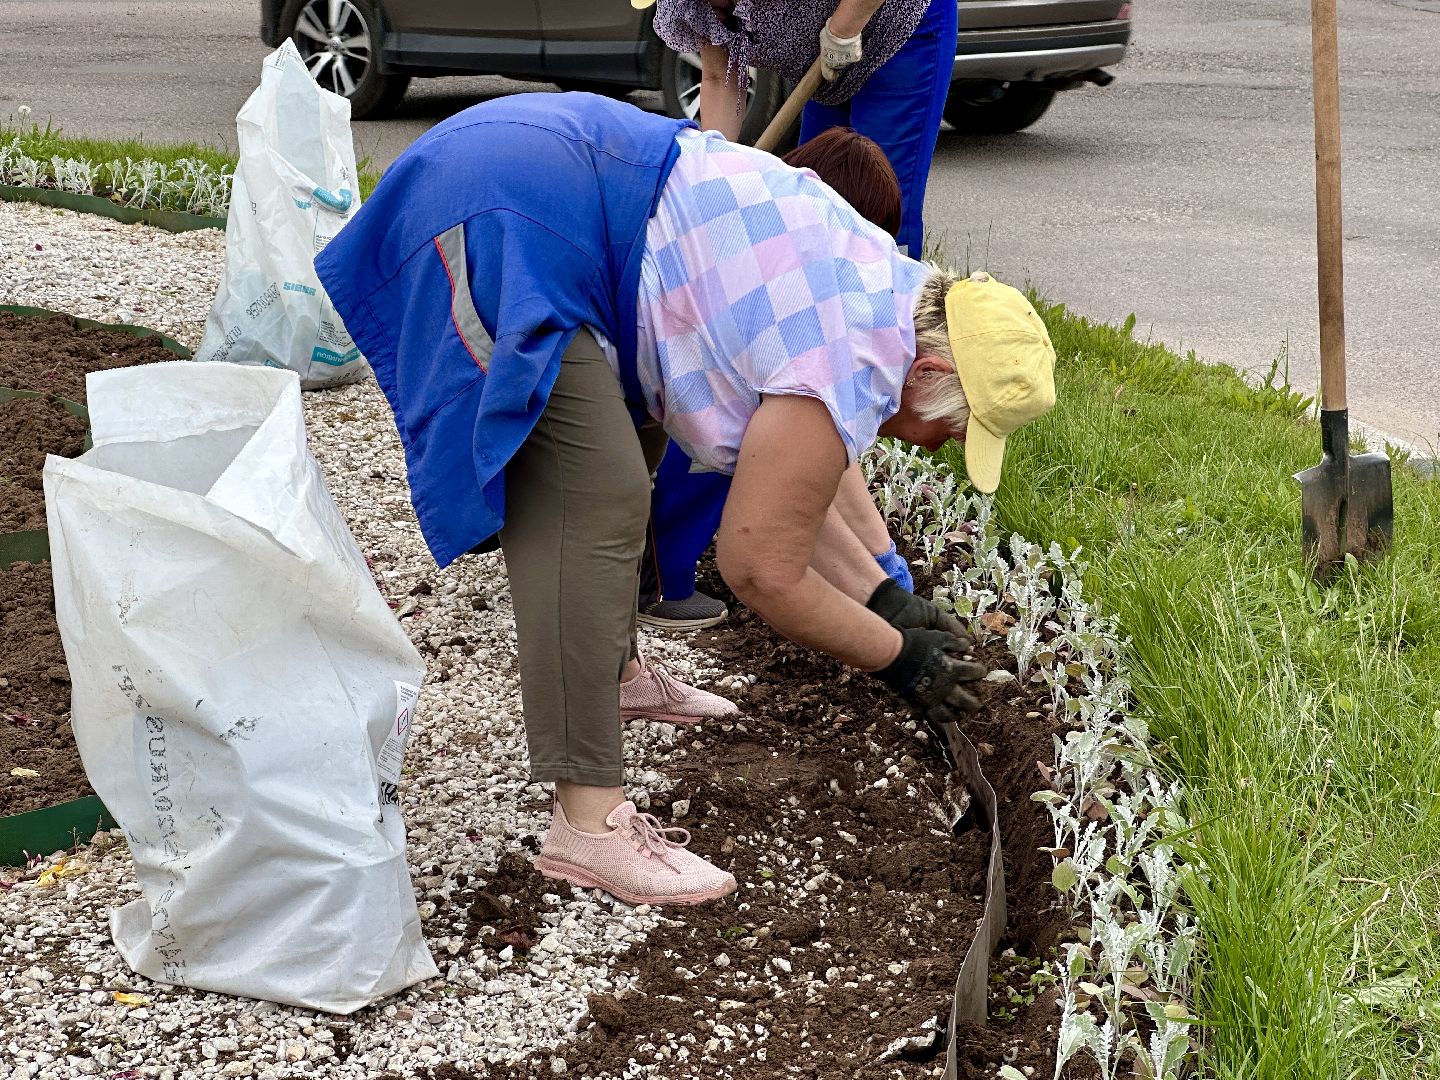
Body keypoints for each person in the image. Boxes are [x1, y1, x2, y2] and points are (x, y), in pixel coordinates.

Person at [315, 93, 1056, 908]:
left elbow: (788, 494)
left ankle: (614, 675)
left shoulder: (878, 294)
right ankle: (588, 825)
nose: (943, 446)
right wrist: (897, 656)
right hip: (506, 209)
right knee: (593, 495)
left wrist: (886, 599)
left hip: (548, 185)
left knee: (630, 441)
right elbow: (761, 566)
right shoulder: (850, 354)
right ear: (934, 372)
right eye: (960, 428)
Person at [638, 126, 911, 630]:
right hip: (657, 371)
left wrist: (879, 563)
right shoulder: (795, 301)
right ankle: (657, 580)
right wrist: (877, 568)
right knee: (733, 445)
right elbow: (811, 458)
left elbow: (830, 447)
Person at [653, 0, 957, 257]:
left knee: (879, 208)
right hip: (823, 60)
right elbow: (720, 77)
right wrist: (714, 172)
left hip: (900, 28)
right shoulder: (690, 5)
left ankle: (895, 303)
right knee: (811, 209)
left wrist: (842, 31)